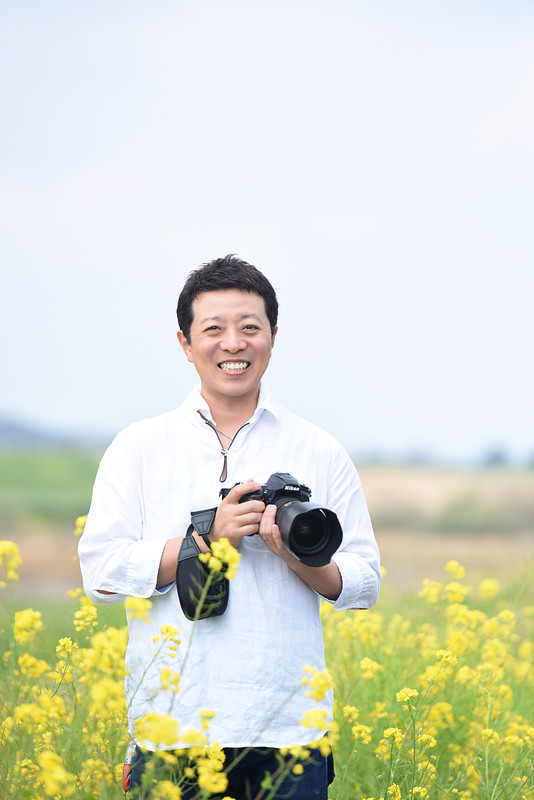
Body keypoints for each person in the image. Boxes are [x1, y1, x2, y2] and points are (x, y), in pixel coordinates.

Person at [78, 255, 381, 800]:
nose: (233, 343)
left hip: (290, 733)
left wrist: (293, 553)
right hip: (172, 730)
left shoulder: (318, 448)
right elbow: (99, 573)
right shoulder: (139, 447)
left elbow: (364, 582)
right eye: (213, 329)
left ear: (273, 336)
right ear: (185, 342)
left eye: (249, 327)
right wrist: (206, 538)